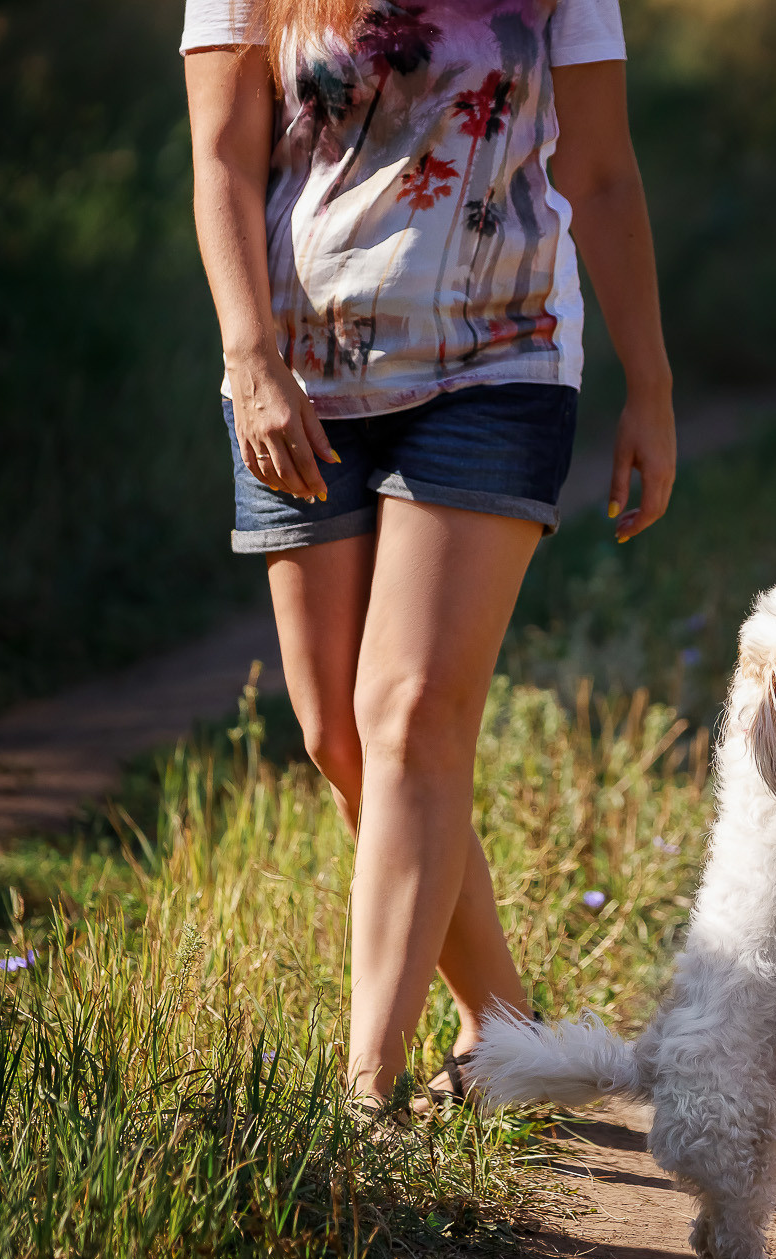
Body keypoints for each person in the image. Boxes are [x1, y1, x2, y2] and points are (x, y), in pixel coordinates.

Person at [182, 0, 675, 1114]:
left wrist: (651, 384)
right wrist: (250, 356)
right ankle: (505, 1030)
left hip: (498, 365)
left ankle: (367, 1093)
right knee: (340, 738)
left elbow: (598, 172)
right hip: (299, 380)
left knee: (410, 717)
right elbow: (221, 157)